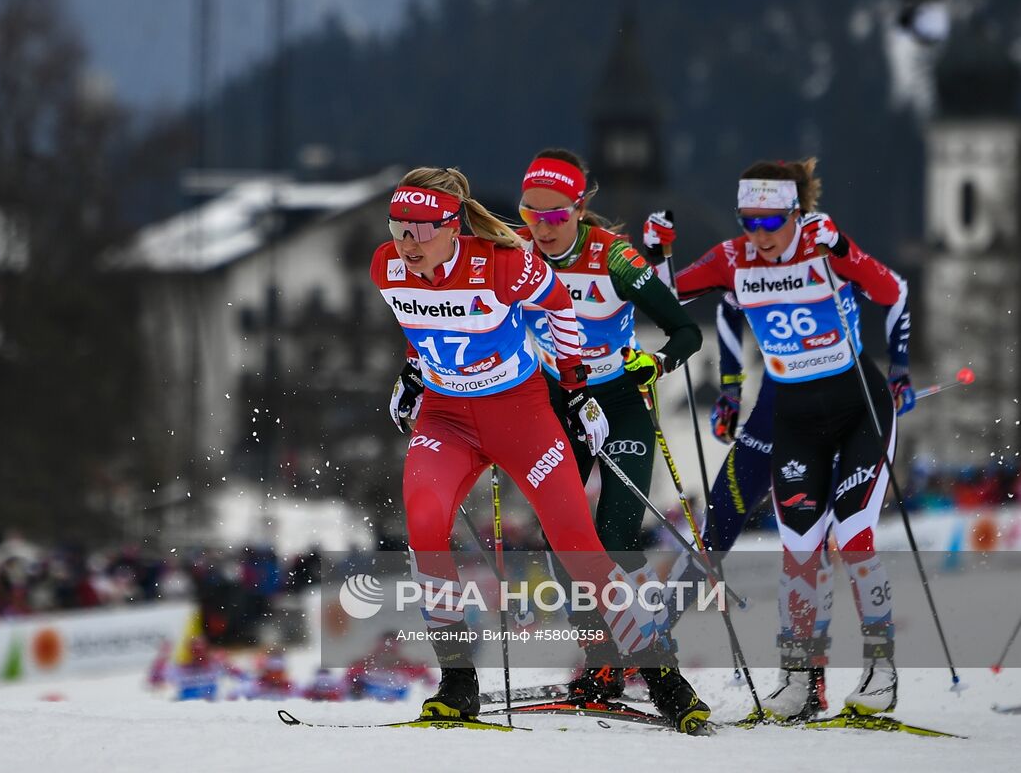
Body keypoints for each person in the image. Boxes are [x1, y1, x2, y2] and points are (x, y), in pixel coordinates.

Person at [372, 166, 708, 733]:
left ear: (453, 227)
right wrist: (413, 371)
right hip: (446, 417)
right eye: (398, 227)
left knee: (579, 543)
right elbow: (417, 319)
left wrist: (576, 390)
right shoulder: (386, 265)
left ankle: (662, 677)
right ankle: (457, 687)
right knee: (425, 528)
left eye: (420, 230)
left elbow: (558, 306)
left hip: (520, 413)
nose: (406, 243)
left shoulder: (502, 261)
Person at [646, 158, 912, 720]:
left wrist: (843, 250)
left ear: (798, 213)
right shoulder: (732, 258)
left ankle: (880, 670)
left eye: (772, 222)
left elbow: (890, 290)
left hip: (859, 409)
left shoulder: (821, 243)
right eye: (750, 221)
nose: (760, 235)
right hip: (794, 419)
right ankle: (798, 680)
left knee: (855, 533)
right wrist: (655, 254)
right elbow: (662, 296)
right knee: (798, 551)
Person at [514, 149, 703, 704]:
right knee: (561, 539)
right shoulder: (517, 257)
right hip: (555, 406)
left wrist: (657, 361)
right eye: (530, 215)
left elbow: (686, 331)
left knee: (617, 538)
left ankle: (654, 657)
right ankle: (602, 660)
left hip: (619, 402)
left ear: (578, 209)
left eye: (555, 216)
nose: (542, 229)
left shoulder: (615, 259)